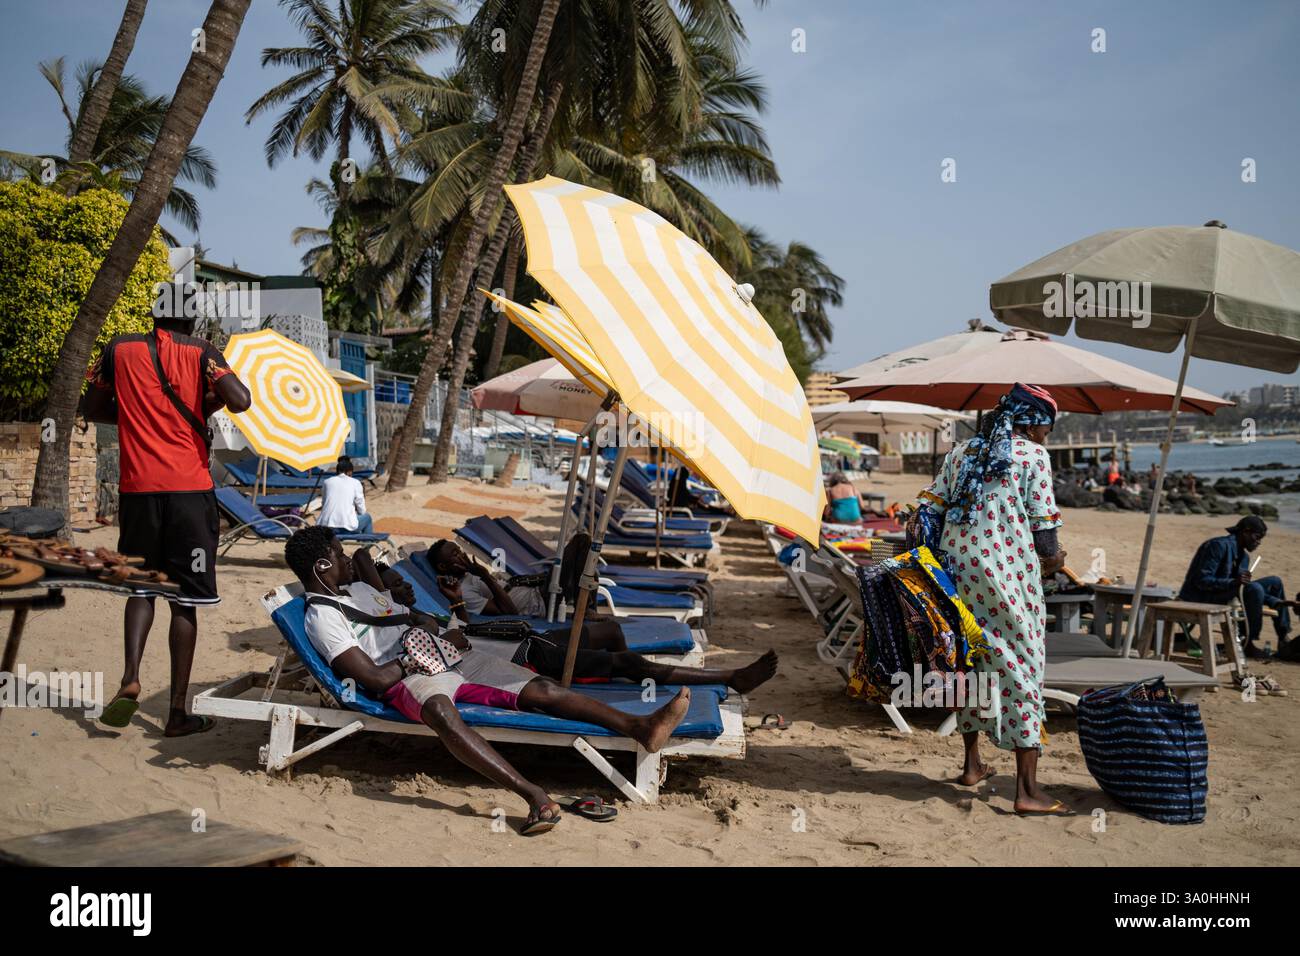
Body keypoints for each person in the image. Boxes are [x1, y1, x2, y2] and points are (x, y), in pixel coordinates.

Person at [286, 527, 692, 835]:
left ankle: (639, 727)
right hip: (407, 675)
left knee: (544, 690)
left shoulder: (357, 588)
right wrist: (419, 653)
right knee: (443, 714)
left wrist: (438, 632)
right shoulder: (323, 617)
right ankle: (532, 794)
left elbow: (398, 604)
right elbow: (373, 678)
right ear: (322, 566)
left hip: (444, 653)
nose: (346, 560)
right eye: (336, 556)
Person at [83, 309, 252, 736]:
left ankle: (130, 676)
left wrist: (146, 416)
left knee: (142, 587)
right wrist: (201, 403)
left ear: (156, 317)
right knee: (184, 599)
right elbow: (242, 400)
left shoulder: (118, 348)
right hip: (188, 494)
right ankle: (177, 713)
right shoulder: (203, 353)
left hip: (138, 490)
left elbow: (97, 407)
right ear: (192, 322)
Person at [915, 383, 1071, 815]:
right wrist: (1054, 559)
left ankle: (971, 764)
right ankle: (1026, 791)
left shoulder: (962, 452)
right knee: (1022, 664)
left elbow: (929, 508)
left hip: (957, 571)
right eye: (1048, 429)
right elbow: (1043, 527)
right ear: (1035, 423)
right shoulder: (1033, 456)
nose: (1047, 438)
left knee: (972, 659)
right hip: (1007, 574)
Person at [1178, 515, 1298, 659]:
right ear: (1245, 532)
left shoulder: (1244, 557)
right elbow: (1202, 580)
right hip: (1201, 595)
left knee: (1275, 581)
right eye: (1257, 537)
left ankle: (1283, 637)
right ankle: (1248, 642)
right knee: (1254, 588)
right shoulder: (1218, 546)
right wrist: (1233, 582)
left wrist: (1277, 602)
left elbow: (1242, 590)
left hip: (1224, 593)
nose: (1258, 542)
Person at [318, 456, 373, 534]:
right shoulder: (355, 482)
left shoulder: (327, 482)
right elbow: (361, 508)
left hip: (325, 526)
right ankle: (367, 543)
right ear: (350, 472)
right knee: (367, 518)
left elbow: (324, 503)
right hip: (345, 528)